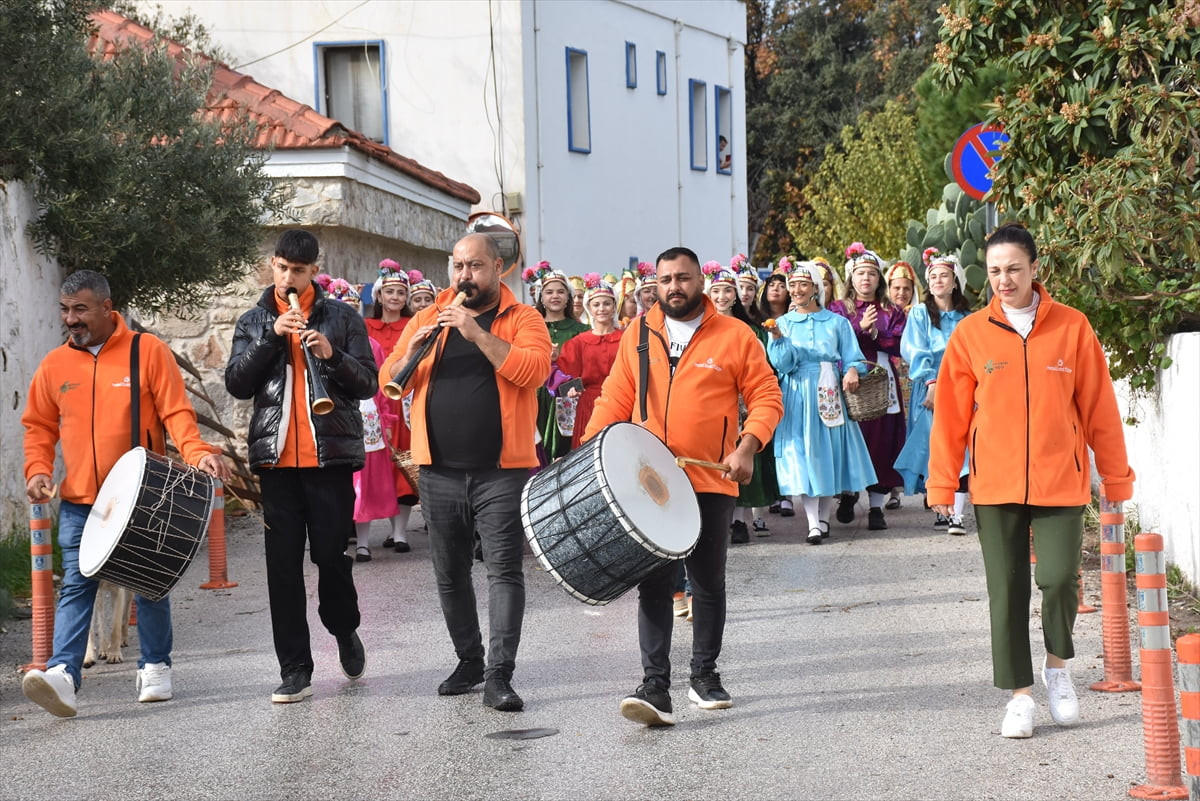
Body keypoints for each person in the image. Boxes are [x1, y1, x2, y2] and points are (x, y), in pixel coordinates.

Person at [928, 222, 1135, 739]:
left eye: (1013, 269)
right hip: (994, 483)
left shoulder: (1073, 327)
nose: (1004, 279)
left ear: (1035, 269)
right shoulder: (971, 334)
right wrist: (941, 485)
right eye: (995, 270)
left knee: (1060, 577)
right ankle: (1020, 696)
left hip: (1060, 478)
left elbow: (1099, 409)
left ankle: (1057, 669)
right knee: (1008, 588)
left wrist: (1115, 476)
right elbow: (951, 417)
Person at [585, 246, 782, 727]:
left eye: (684, 278)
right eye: (666, 278)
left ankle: (704, 676)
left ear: (701, 281)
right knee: (654, 583)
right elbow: (616, 397)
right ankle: (655, 686)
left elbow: (766, 395)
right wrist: (592, 450)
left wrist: (747, 446)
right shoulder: (638, 332)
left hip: (711, 476)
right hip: (648, 481)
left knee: (707, 582)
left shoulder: (736, 335)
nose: (675, 286)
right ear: (656, 282)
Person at [21, 269, 230, 718]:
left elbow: (177, 414)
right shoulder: (55, 365)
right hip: (81, 501)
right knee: (77, 585)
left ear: (106, 309)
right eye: (65, 310)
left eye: (80, 309)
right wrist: (38, 471)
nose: (70, 319)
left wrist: (198, 454)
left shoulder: (146, 351)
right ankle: (63, 675)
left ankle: (155, 666)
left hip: (143, 494)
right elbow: (38, 427)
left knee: (149, 581)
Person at [381, 233, 551, 712]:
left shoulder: (524, 318)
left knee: (503, 571)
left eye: (474, 267)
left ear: (499, 268)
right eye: (457, 266)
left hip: (501, 472)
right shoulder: (428, 315)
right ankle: (469, 660)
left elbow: (534, 371)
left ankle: (500, 674)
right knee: (450, 574)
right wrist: (410, 348)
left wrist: (476, 333)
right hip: (438, 472)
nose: (463, 277)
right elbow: (389, 378)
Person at [225, 229, 378, 703]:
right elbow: (237, 383)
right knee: (282, 570)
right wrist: (271, 338)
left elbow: (369, 383)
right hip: (276, 466)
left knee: (331, 559)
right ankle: (295, 669)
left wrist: (331, 355)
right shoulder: (253, 321)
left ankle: (344, 628)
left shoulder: (343, 318)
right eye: (283, 268)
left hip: (328, 460)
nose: (290, 277)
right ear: (273, 265)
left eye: (300, 270)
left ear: (315, 269)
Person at [767, 261, 877, 544]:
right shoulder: (782, 324)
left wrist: (852, 369)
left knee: (827, 454)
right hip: (798, 390)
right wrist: (779, 340)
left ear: (815, 288)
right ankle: (813, 523)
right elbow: (784, 365)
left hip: (829, 389)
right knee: (802, 453)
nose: (796, 290)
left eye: (802, 284)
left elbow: (853, 356)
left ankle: (824, 518)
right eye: (792, 285)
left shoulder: (837, 322)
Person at [828, 243, 907, 530]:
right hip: (849, 380)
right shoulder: (838, 309)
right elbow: (833, 340)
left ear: (879, 278)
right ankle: (848, 493)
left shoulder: (891, 310)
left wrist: (877, 332)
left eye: (872, 273)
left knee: (881, 441)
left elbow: (901, 343)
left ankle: (876, 506)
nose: (866, 279)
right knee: (852, 439)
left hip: (880, 380)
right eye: (861, 273)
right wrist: (858, 327)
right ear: (851, 277)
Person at [893, 250, 972, 533]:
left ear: (955, 281)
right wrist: (931, 383)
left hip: (962, 386)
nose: (938, 281)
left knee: (961, 449)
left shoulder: (967, 317)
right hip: (930, 387)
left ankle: (957, 515)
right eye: (934, 276)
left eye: (944, 276)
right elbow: (914, 348)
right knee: (934, 448)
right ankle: (940, 506)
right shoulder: (919, 314)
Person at [706, 264, 779, 541]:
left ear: (736, 296)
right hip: (711, 400)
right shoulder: (699, 328)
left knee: (738, 455)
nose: (722, 297)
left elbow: (762, 367)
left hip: (739, 400)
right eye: (716, 291)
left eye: (727, 291)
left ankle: (739, 520)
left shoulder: (747, 329)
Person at [365, 260, 420, 551]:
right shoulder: (364, 327)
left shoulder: (413, 326)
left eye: (401, 292)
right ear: (379, 296)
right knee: (373, 468)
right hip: (372, 406)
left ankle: (400, 533)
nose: (396, 298)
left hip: (402, 404)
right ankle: (363, 534)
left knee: (402, 465)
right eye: (391, 292)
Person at [521, 261, 588, 463]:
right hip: (533, 398)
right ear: (541, 296)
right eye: (549, 292)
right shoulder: (530, 327)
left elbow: (587, 371)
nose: (555, 296)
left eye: (560, 291)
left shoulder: (582, 331)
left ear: (568, 297)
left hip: (568, 400)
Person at [556, 275, 623, 451]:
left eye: (607, 303)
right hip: (588, 406)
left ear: (615, 306)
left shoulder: (626, 339)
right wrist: (570, 388)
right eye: (596, 304)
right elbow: (566, 374)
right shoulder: (578, 342)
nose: (602, 309)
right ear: (589, 308)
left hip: (620, 402)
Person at [756, 262, 798, 519]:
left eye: (783, 285)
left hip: (787, 380)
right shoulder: (754, 319)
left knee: (786, 438)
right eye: (772, 284)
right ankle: (771, 491)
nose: (777, 289)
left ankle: (786, 495)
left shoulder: (794, 319)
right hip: (762, 380)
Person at [883, 260, 919, 510]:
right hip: (888, 378)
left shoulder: (919, 313)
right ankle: (893, 488)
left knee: (914, 432)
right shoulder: (883, 314)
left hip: (913, 379)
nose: (901, 293)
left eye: (906, 288)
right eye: (896, 288)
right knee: (893, 433)